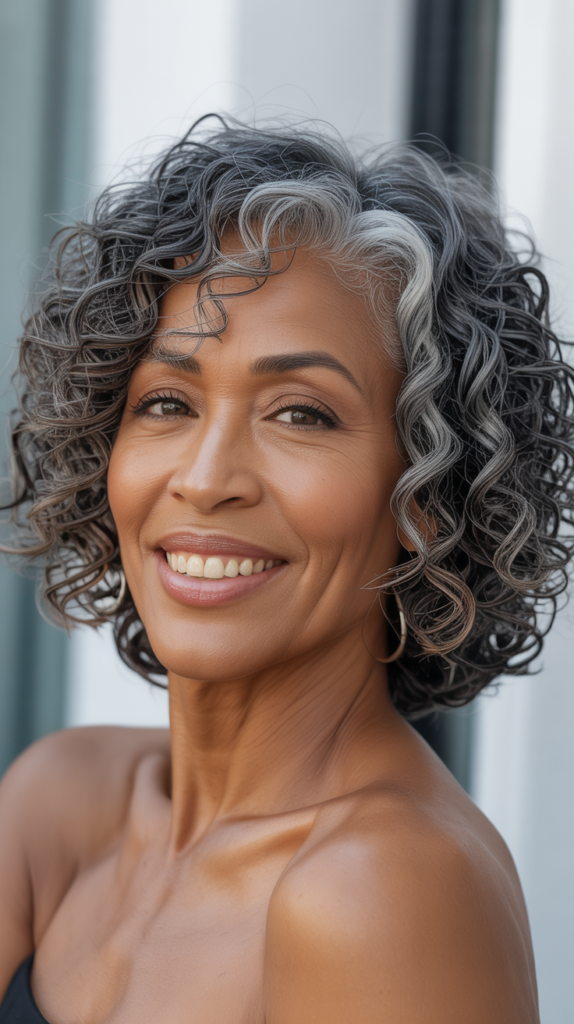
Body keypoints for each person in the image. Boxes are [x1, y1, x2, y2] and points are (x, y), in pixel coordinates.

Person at [1, 118, 571, 1023]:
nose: (204, 478)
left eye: (301, 414)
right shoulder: (57, 803)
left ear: (427, 493)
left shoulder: (382, 890)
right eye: (167, 402)